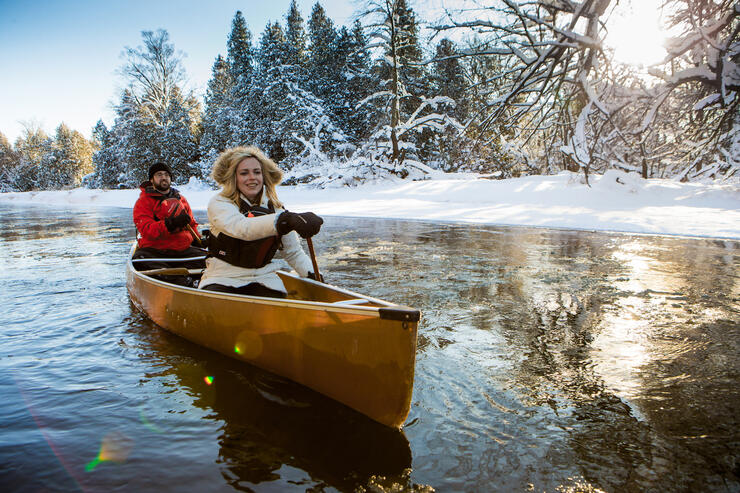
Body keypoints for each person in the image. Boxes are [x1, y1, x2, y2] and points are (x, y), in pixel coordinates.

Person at [199, 146, 323, 298]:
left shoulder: (277, 209)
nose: (252, 177)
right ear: (234, 178)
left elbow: (293, 253)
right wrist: (284, 222)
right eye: (244, 173)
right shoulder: (219, 203)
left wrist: (313, 276)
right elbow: (242, 228)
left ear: (263, 176)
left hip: (264, 279)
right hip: (222, 277)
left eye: (257, 172)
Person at [132, 162, 204, 286]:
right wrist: (170, 224)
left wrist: (199, 240)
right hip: (155, 251)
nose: (163, 177)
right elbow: (147, 230)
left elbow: (191, 224)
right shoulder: (143, 202)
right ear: (152, 180)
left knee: (212, 260)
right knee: (139, 260)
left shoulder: (181, 199)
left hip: (182, 250)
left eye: (166, 174)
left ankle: (192, 282)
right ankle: (184, 283)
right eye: (159, 175)